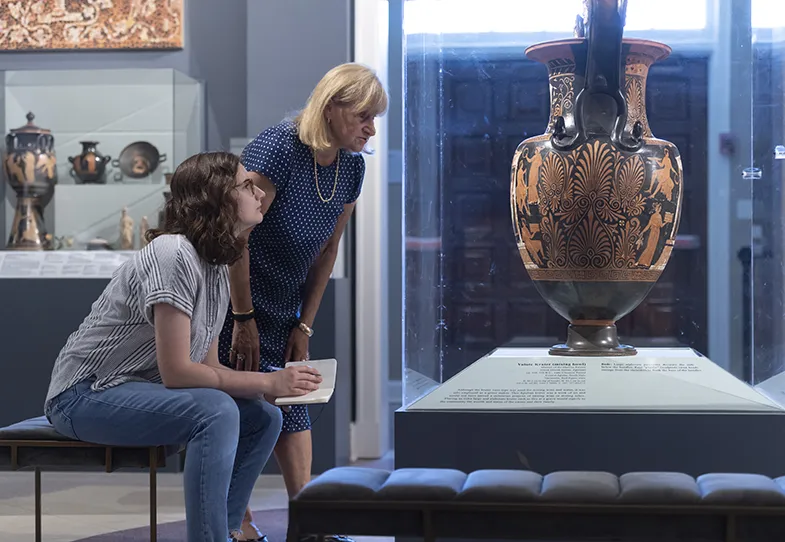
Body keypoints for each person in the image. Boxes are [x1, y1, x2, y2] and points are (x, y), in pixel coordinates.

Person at [43, 152, 323, 542]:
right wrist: (267, 382)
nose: (259, 192)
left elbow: (210, 373)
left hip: (132, 391)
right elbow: (178, 372)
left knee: (263, 417)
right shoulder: (174, 253)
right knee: (218, 411)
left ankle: (225, 531)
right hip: (82, 395)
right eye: (246, 185)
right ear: (216, 198)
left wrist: (273, 383)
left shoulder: (215, 267)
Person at [218, 62, 388, 542]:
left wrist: (304, 325)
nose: (370, 129)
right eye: (363, 116)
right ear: (332, 108)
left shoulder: (352, 167)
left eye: (374, 119)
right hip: (236, 299)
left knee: (294, 401)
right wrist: (242, 316)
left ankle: (308, 521)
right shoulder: (278, 147)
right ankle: (237, 522)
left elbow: (328, 249)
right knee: (236, 407)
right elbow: (237, 233)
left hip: (283, 304)